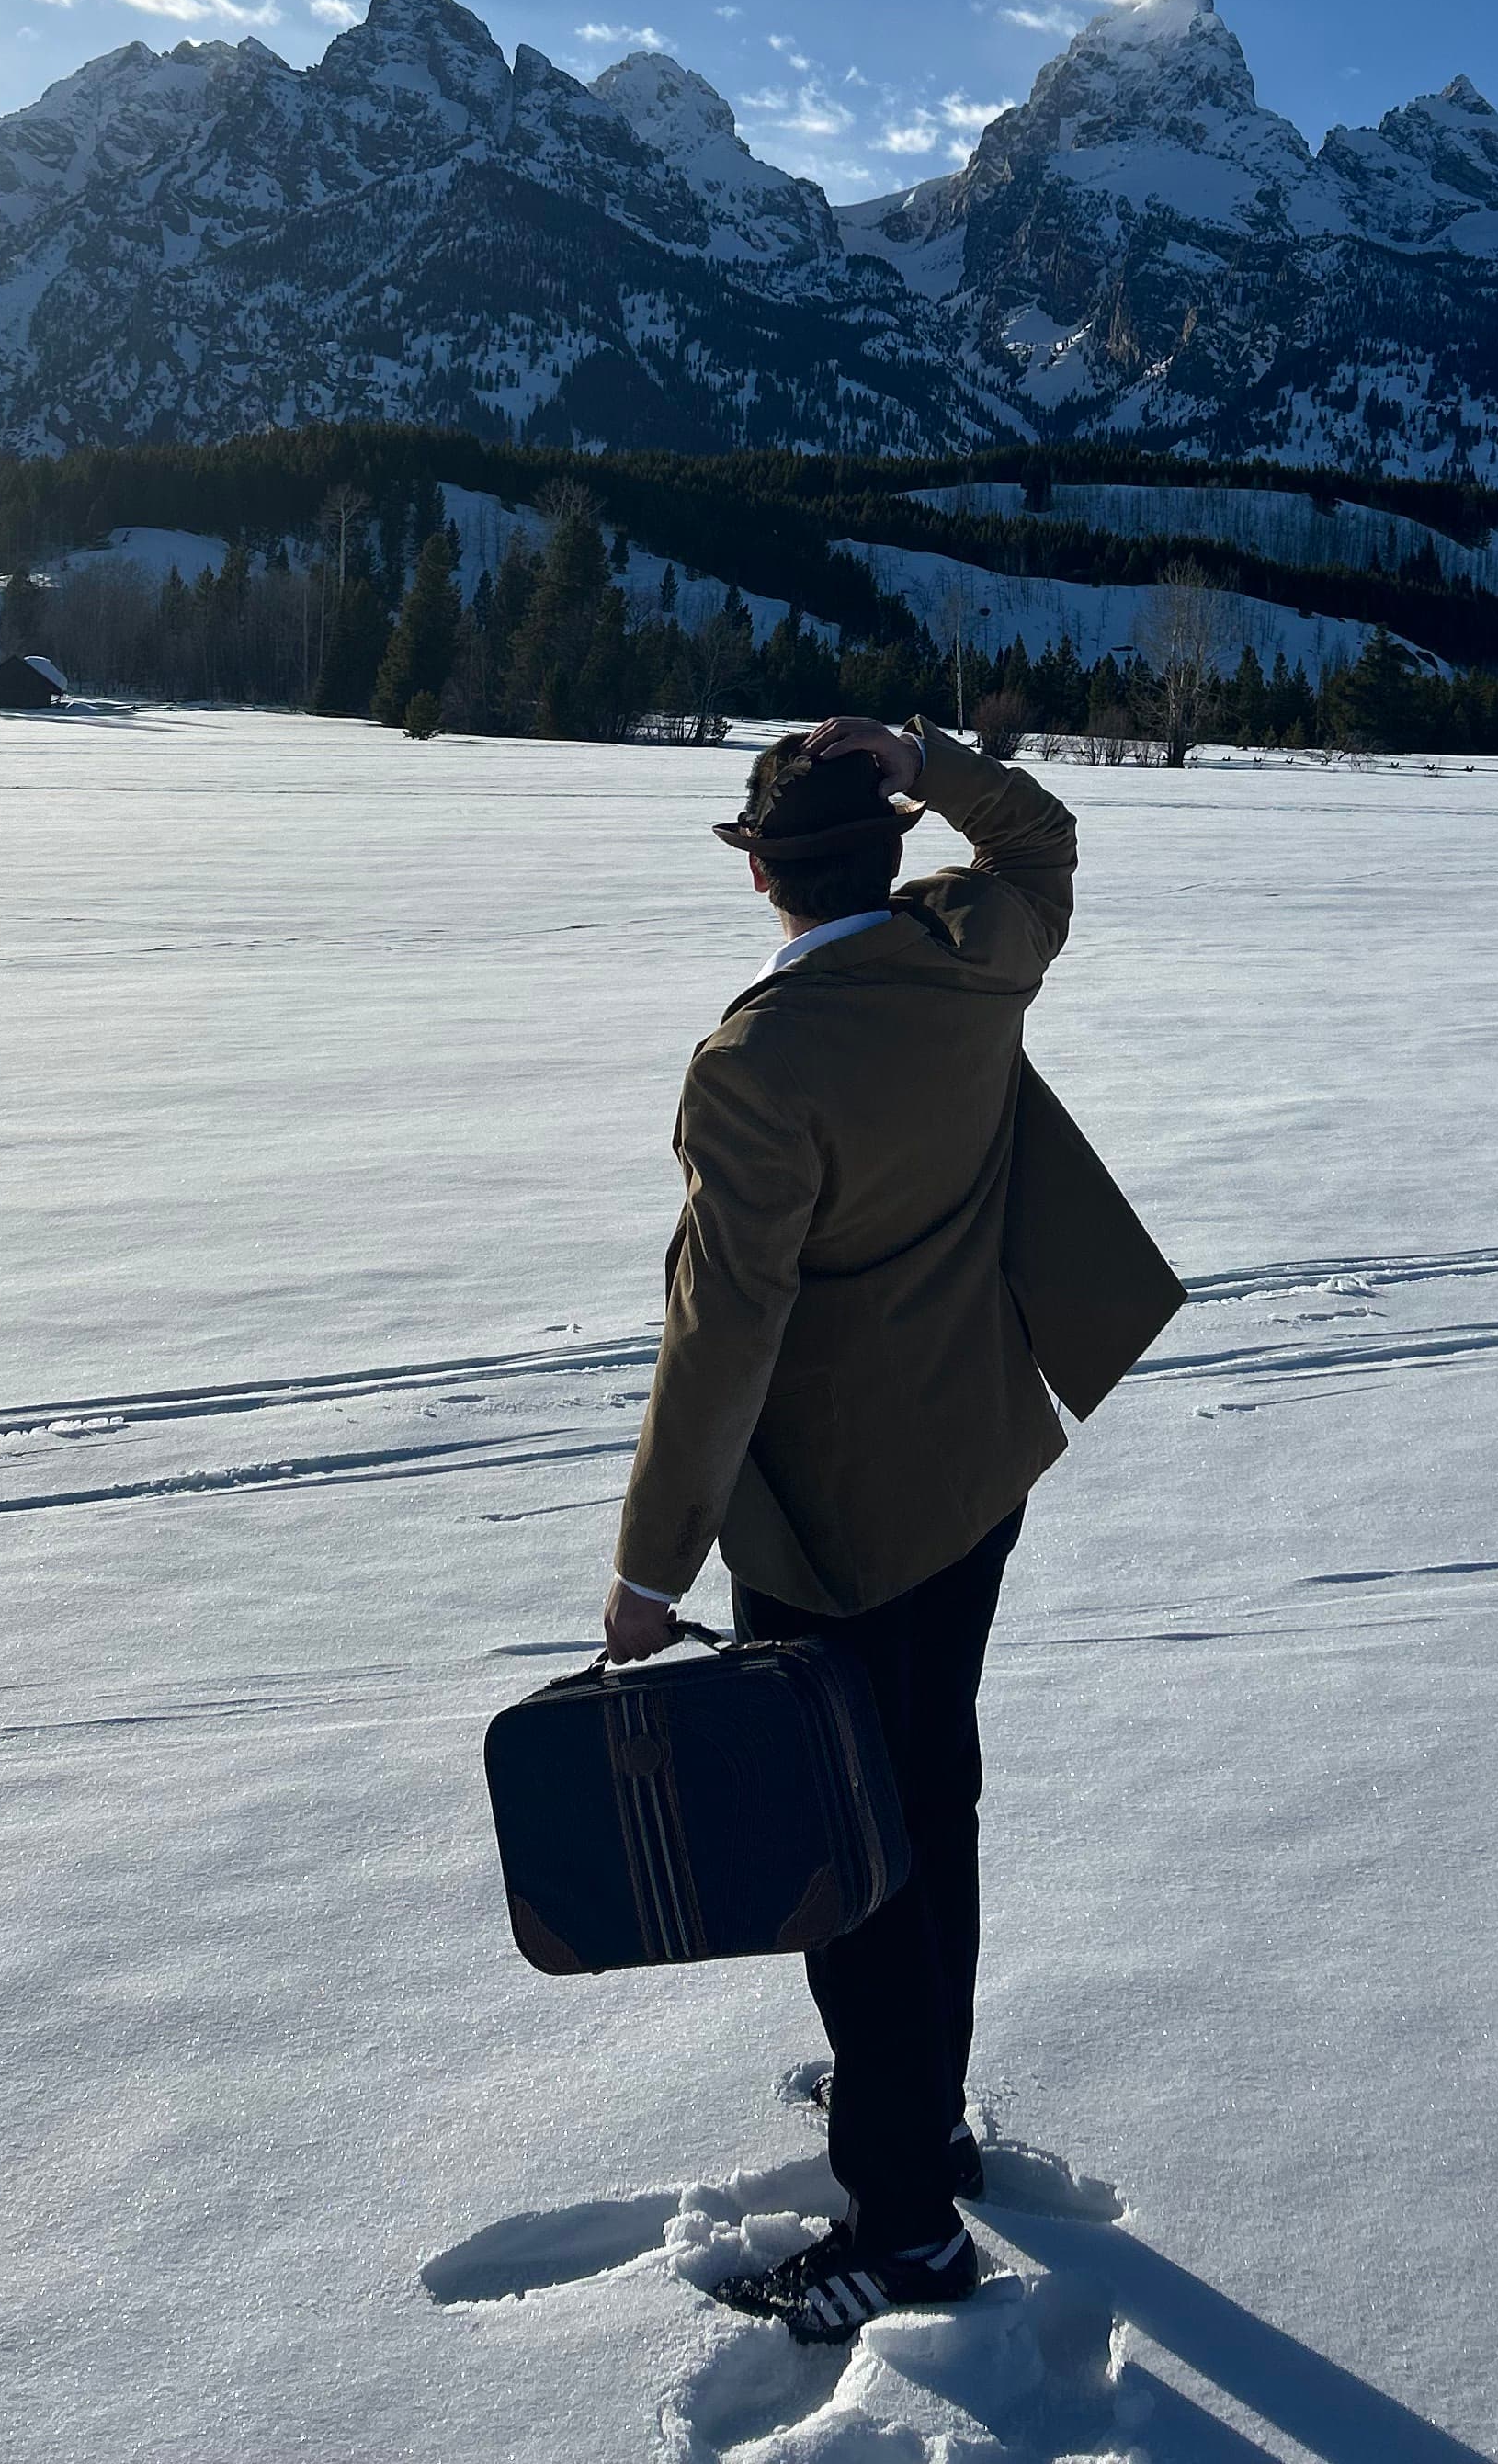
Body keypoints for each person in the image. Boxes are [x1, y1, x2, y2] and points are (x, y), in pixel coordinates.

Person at [603, 710, 1177, 2346]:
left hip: (838, 1521)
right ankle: (916, 2104)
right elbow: (1044, 842)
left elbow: (724, 1335)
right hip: (976, 1466)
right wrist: (931, 755)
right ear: (895, 849)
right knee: (932, 1786)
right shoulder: (972, 954)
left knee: (851, 1850)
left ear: (766, 873)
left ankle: (907, 2222)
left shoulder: (762, 1064)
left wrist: (653, 1571)